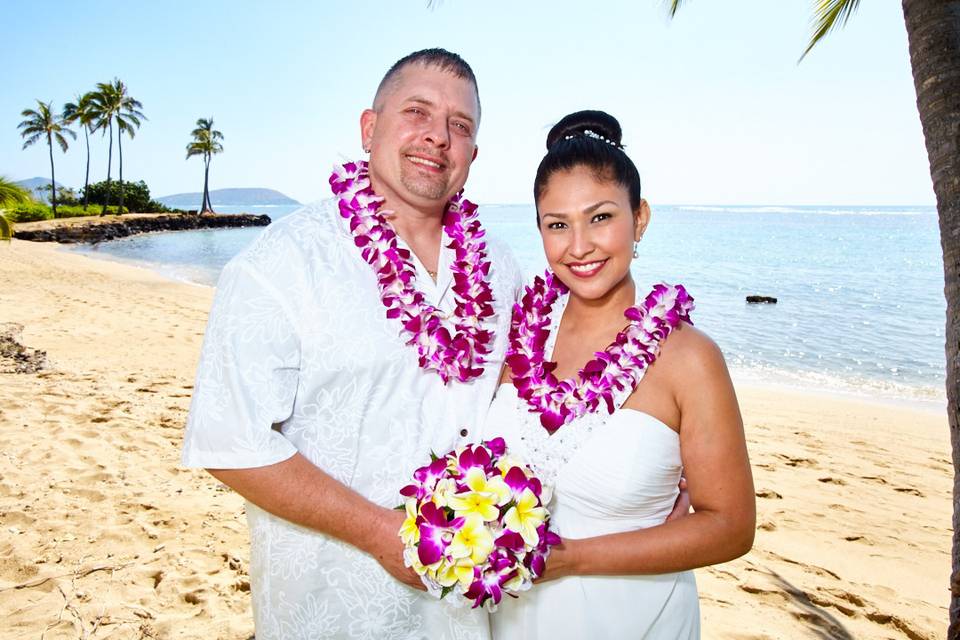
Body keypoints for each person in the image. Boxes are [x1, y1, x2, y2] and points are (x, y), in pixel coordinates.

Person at [181, 49, 524, 639]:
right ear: (370, 129)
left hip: (473, 614)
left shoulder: (501, 266)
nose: (438, 137)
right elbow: (227, 440)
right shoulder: (280, 263)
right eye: (417, 111)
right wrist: (380, 534)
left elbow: (522, 394)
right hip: (334, 610)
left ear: (473, 153)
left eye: (460, 126)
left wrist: (644, 469)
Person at [483, 110, 756, 639]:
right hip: (508, 621)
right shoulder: (517, 334)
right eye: (557, 225)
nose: (579, 245)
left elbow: (731, 526)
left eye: (601, 217)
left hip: (633, 619)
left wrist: (574, 559)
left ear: (641, 218)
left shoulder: (689, 358)